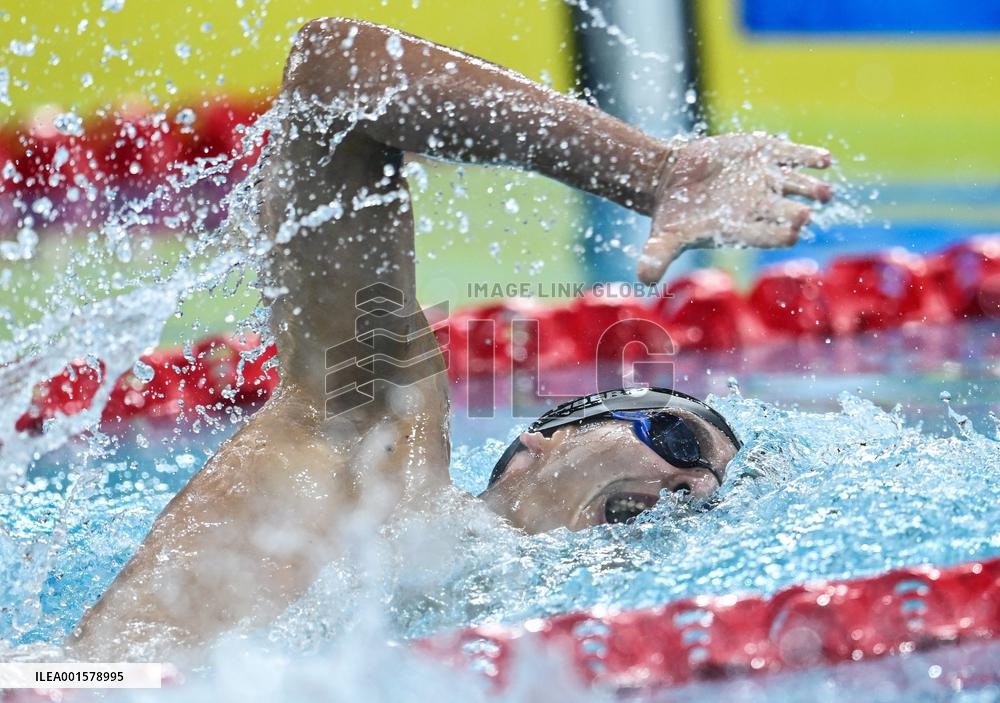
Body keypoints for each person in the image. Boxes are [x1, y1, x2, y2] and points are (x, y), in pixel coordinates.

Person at [66, 18, 831, 659]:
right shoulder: (375, 452)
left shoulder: (498, 639)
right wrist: (650, 170)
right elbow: (332, 73)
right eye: (678, 438)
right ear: (544, 438)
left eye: (709, 498)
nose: (696, 486)